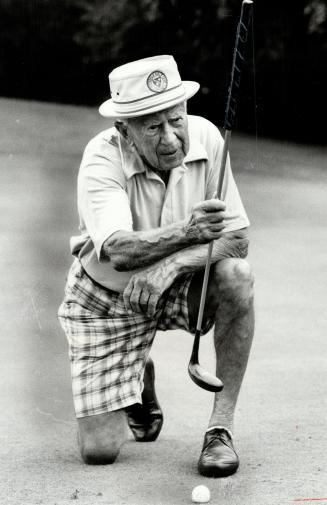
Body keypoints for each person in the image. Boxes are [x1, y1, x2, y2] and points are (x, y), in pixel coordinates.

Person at [58, 55, 254, 478]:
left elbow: (237, 239)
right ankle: (137, 374)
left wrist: (172, 266)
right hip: (106, 298)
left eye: (175, 120)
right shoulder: (100, 159)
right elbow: (118, 251)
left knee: (238, 277)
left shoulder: (207, 138)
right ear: (124, 131)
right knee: (99, 450)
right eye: (153, 127)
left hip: (180, 284)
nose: (171, 138)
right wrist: (188, 232)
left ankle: (220, 429)